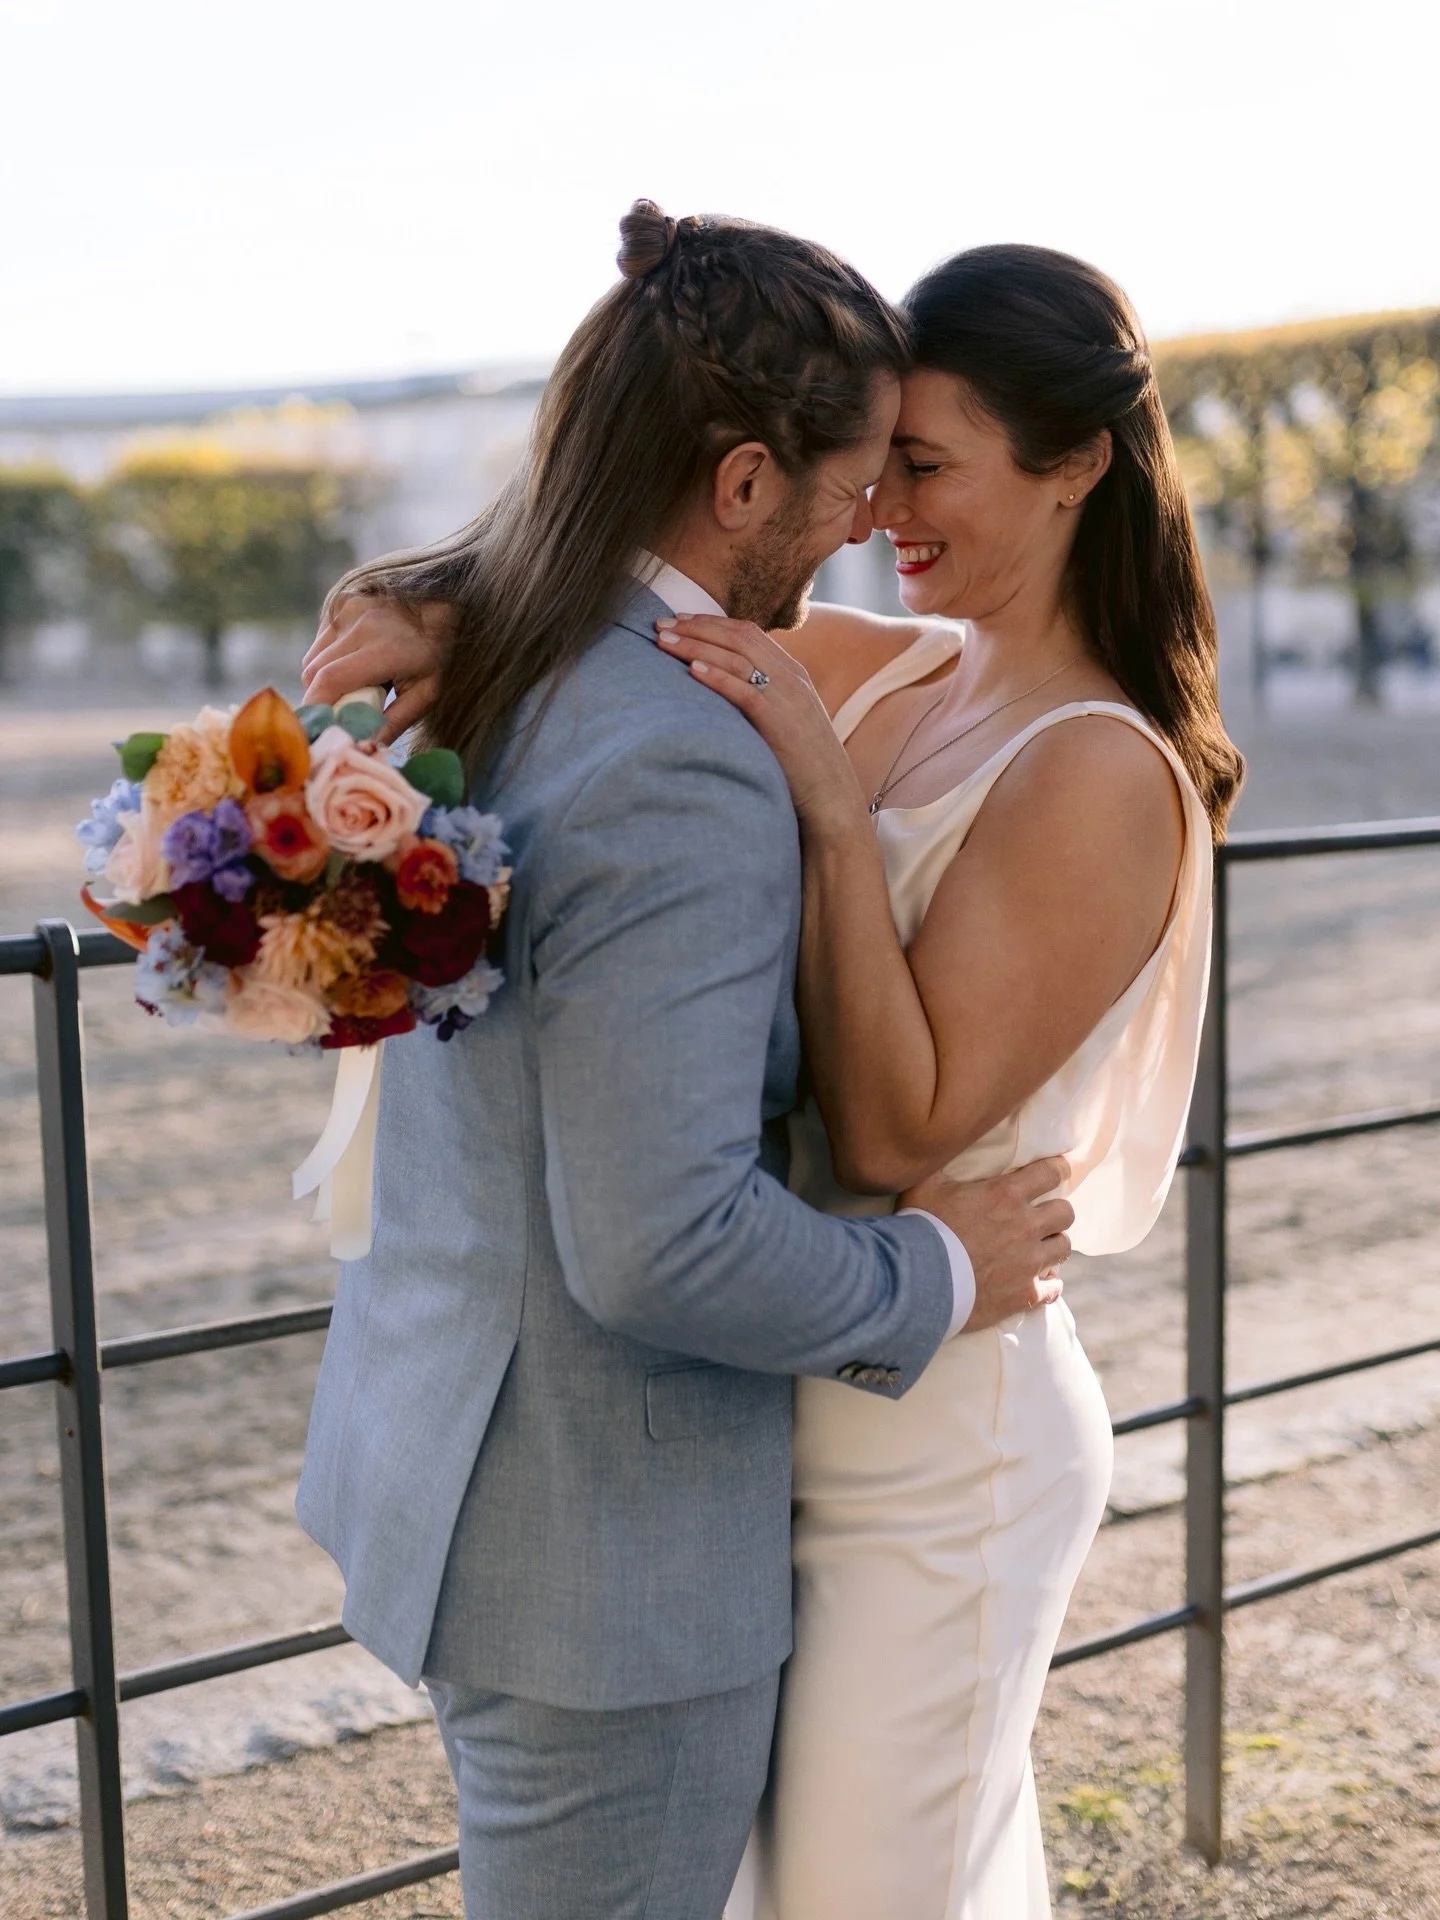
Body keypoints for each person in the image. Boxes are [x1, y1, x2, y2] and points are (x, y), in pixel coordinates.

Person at [307, 232, 1242, 1920]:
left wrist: (822, 803)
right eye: (872, 473)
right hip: (783, 1395)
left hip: (938, 1443)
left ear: (1081, 463)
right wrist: (431, 594)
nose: (882, 516)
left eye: (927, 470)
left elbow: (894, 1128)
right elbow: (624, 603)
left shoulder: (1097, 766)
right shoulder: (903, 667)